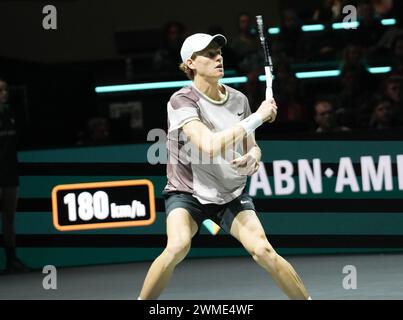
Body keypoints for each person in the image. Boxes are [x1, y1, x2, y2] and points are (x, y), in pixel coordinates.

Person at [138, 33, 311, 300]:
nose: (218, 57)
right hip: (187, 193)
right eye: (208, 53)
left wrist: (253, 156)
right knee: (177, 247)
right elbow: (208, 144)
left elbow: (251, 146)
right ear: (191, 63)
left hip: (231, 194)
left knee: (264, 251)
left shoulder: (238, 100)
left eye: (218, 52)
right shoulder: (182, 101)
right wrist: (258, 117)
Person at [0, 78, 30, 274]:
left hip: (10, 175)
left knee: (9, 220)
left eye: (6, 89)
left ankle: (11, 260)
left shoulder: (10, 114)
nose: (5, 92)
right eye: (1, 90)